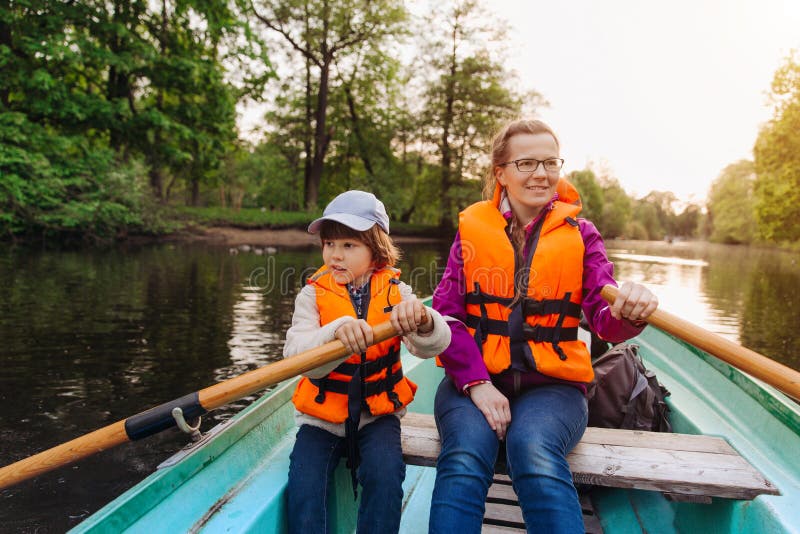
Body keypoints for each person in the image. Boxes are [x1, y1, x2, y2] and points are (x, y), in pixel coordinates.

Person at [429, 118, 659, 533]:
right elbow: (446, 318)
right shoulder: (471, 232)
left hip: (552, 389)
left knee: (532, 448)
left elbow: (605, 322)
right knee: (464, 455)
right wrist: (477, 384)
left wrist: (630, 311)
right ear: (501, 172)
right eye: (527, 163)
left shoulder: (582, 235)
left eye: (550, 162)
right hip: (474, 382)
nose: (541, 174)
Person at [283, 190, 451, 534]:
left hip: (377, 417)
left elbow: (433, 346)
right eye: (329, 244)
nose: (335, 255)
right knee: (303, 485)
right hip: (321, 419)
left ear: (375, 249)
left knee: (385, 476)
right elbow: (297, 356)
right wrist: (335, 332)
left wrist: (424, 320)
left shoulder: (397, 293)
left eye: (348, 245)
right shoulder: (312, 295)